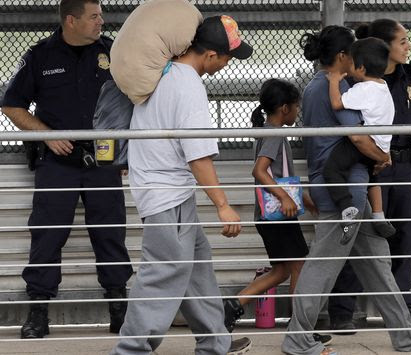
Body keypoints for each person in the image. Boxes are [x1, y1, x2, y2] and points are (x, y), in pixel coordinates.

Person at [110, 15, 253, 355]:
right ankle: (130, 350)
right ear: (211, 56)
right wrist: (222, 205)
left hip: (168, 191)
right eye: (229, 57)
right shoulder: (188, 85)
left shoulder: (163, 73)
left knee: (196, 267)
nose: (228, 63)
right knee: (162, 274)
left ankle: (215, 343)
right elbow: (198, 156)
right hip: (166, 196)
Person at [281, 25, 411, 355]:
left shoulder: (318, 87)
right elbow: (359, 136)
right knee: (322, 264)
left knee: (376, 263)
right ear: (344, 57)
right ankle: (298, 336)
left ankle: (405, 334)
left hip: (350, 190)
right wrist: (384, 157)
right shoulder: (335, 87)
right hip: (342, 192)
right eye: (355, 54)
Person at [1, 0, 132, 338]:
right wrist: (47, 136)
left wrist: (127, 151)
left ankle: (120, 310)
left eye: (101, 15)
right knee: (47, 235)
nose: (102, 21)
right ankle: (38, 313)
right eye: (94, 16)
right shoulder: (40, 56)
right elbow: (12, 104)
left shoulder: (114, 52)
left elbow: (138, 98)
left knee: (110, 233)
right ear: (71, 20)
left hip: (103, 161)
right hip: (57, 163)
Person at [327, 18, 411, 332]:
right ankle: (342, 310)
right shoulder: (359, 80)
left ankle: (402, 311)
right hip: (370, 164)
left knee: (408, 238)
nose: (408, 47)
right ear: (383, 46)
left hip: (405, 167)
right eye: (402, 41)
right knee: (360, 235)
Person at [222, 78, 331, 346]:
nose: (298, 112)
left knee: (282, 271)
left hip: (271, 216)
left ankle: (232, 306)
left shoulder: (269, 131)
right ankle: (300, 329)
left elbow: (282, 177)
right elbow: (259, 171)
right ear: (284, 108)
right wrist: (284, 197)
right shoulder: (274, 133)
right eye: (296, 106)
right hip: (278, 217)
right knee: (300, 267)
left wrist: (305, 199)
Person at [323, 37, 396, 241]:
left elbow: (337, 104)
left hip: (363, 144)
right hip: (381, 146)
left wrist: (335, 81)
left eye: (353, 63)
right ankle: (379, 215)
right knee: (372, 178)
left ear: (361, 68)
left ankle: (347, 208)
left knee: (332, 170)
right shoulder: (383, 87)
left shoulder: (363, 90)